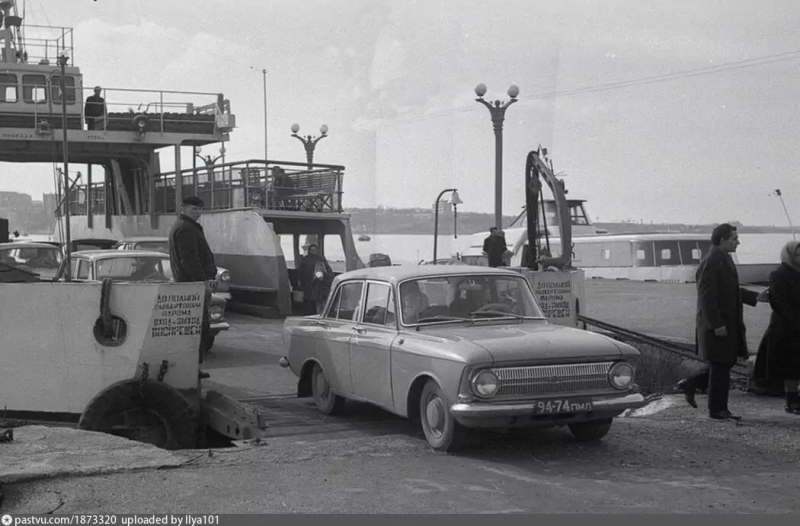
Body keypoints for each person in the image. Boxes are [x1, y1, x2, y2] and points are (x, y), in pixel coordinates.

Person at [677, 223, 767, 420]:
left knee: (723, 364)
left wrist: (756, 297)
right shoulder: (711, 262)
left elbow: (730, 291)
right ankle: (717, 410)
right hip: (718, 325)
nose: (738, 241)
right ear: (722, 240)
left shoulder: (723, 259)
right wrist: (716, 324)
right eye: (734, 238)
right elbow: (706, 298)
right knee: (721, 365)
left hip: (727, 323)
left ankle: (692, 384)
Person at [168, 196, 217, 373]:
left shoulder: (186, 227)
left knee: (194, 328)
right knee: (197, 328)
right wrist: (203, 281)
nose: (198, 212)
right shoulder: (186, 229)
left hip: (189, 284)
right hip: (192, 286)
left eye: (199, 209)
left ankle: (191, 367)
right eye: (194, 209)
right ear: (184, 208)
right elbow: (190, 260)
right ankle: (191, 369)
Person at [752, 241, 800, 414]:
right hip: (787, 327)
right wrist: (796, 321)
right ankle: (792, 402)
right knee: (791, 367)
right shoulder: (778, 275)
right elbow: (779, 302)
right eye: (797, 255)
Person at [297, 244, 333, 315]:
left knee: (318, 300)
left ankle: (317, 314)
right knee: (308, 300)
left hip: (319, 283)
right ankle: (308, 313)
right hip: (307, 282)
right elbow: (300, 271)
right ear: (309, 251)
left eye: (315, 250)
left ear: (317, 250)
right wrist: (300, 281)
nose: (313, 251)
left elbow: (328, 270)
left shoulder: (321, 258)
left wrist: (325, 277)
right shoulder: (305, 259)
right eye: (312, 250)